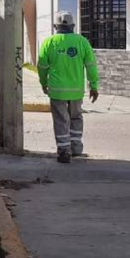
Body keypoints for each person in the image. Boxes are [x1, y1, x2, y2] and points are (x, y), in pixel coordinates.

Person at [37, 11, 99, 164]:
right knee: (76, 118)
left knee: (60, 120)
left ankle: (64, 151)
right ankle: (76, 148)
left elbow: (42, 66)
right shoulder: (82, 41)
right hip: (76, 90)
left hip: (57, 90)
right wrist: (94, 85)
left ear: (55, 26)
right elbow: (91, 66)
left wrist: (43, 83)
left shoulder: (49, 42)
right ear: (73, 26)